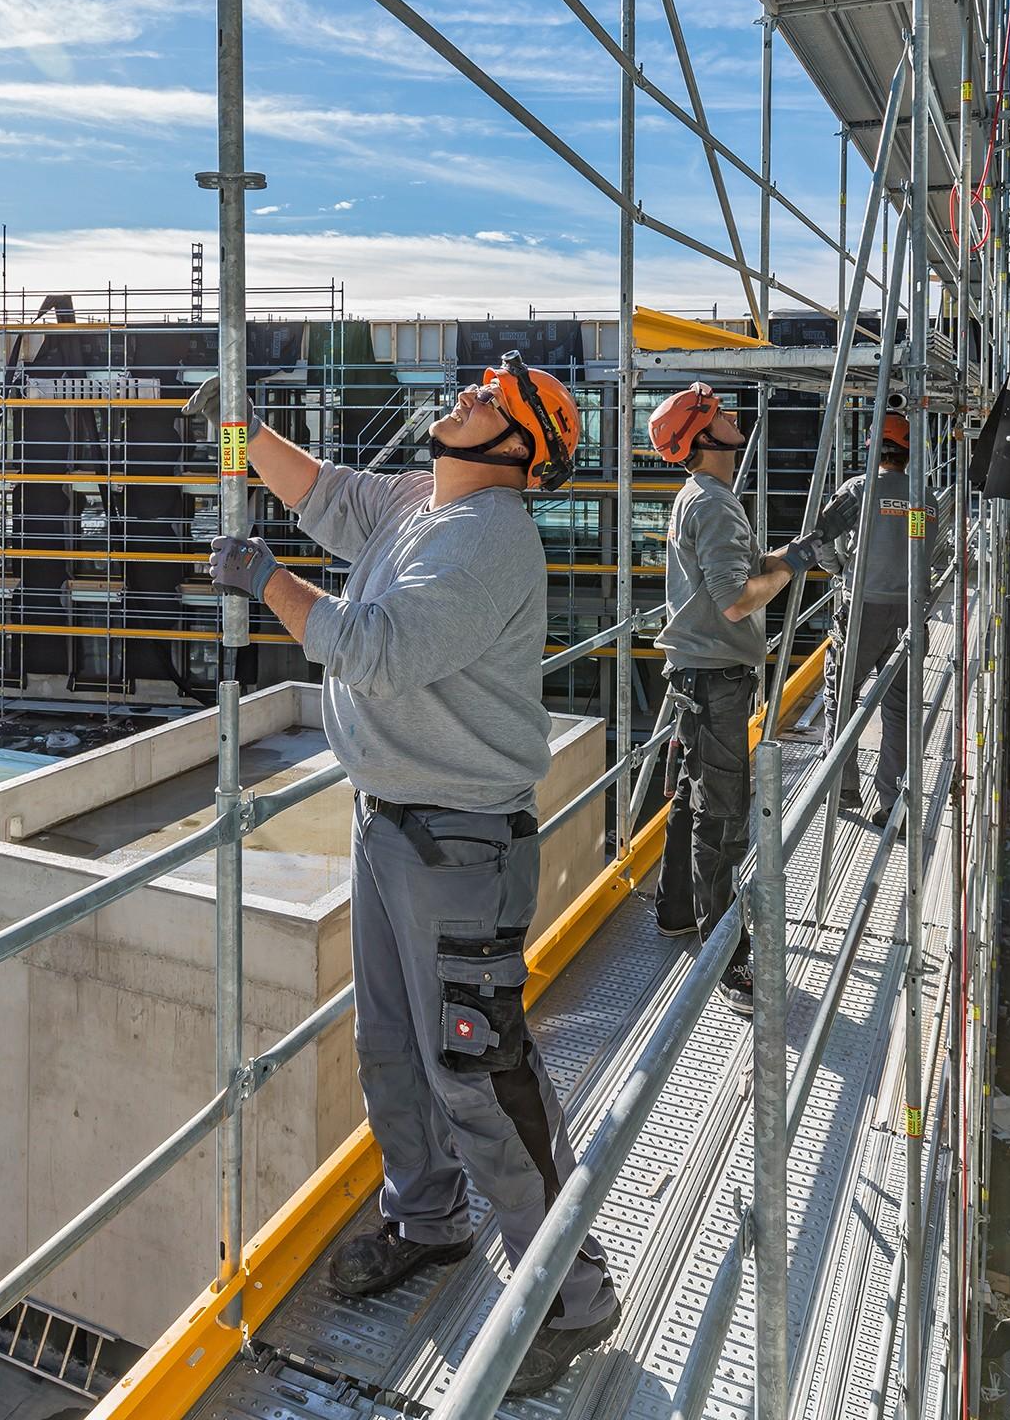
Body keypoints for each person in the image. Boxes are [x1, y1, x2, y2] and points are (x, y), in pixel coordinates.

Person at [186, 354, 620, 1398]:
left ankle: (571, 1294)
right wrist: (237, 431)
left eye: (488, 398)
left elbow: (370, 648)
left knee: (476, 1066)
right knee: (392, 1047)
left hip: (461, 843)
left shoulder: (486, 538)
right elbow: (325, 492)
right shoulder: (425, 497)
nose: (464, 395)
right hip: (391, 825)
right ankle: (430, 1216)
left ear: (518, 449)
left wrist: (267, 581)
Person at [646, 382, 816, 1012]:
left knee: (692, 797)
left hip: (696, 674)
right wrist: (792, 568)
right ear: (702, 438)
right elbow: (736, 598)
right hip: (715, 679)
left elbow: (738, 573)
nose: (732, 417)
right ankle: (729, 958)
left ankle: (676, 912)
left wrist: (787, 554)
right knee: (722, 814)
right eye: (718, 415)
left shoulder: (703, 497)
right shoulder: (714, 504)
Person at [815, 409, 939, 825]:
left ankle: (843, 786)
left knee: (842, 695)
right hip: (907, 611)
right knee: (900, 708)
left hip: (862, 608)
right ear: (907, 452)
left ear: (873, 449)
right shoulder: (922, 498)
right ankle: (891, 804)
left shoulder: (857, 491)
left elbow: (822, 540)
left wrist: (839, 568)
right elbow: (923, 551)